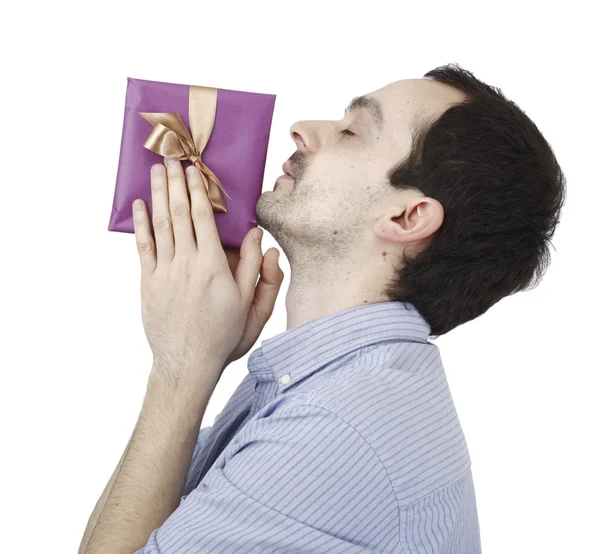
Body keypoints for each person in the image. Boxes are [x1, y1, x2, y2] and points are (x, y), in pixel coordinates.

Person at [79, 63, 566, 554]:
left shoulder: (335, 426)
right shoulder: (324, 380)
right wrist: (196, 358)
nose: (303, 129)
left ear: (406, 216)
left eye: (352, 131)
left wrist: (180, 369)